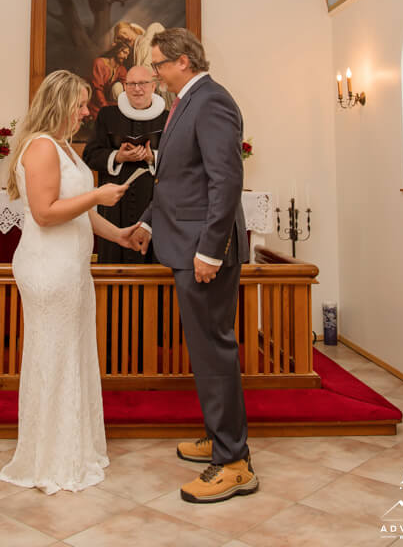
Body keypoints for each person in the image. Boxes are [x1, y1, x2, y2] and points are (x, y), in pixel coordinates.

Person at [131, 28, 258, 505]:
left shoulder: (212, 101)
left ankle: (234, 463)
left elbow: (225, 180)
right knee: (204, 350)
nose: (156, 74)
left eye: (159, 65)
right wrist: (148, 221)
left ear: (183, 61)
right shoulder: (188, 101)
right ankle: (219, 435)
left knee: (214, 351)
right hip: (185, 241)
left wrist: (210, 250)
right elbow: (177, 180)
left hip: (203, 249)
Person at [0, 70, 139, 494]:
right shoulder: (41, 146)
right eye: (78, 105)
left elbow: (80, 212)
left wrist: (119, 234)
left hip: (71, 268)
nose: (84, 112)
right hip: (48, 268)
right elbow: (45, 213)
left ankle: (73, 448)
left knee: (72, 355)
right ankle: (50, 459)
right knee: (53, 357)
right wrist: (97, 194)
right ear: (58, 104)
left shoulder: (63, 147)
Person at [83, 65, 167, 263]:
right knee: (114, 256)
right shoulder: (107, 116)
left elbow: (181, 160)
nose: (137, 89)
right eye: (131, 84)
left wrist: (152, 157)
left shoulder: (167, 118)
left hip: (153, 201)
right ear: (124, 86)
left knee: (152, 260)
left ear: (153, 86)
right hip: (114, 206)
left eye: (143, 83)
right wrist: (118, 157)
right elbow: (90, 155)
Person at [88, 40, 130, 120]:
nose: (126, 57)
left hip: (106, 100)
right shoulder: (99, 62)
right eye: (124, 52)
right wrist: (105, 107)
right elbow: (97, 89)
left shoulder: (121, 68)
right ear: (116, 50)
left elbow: (126, 85)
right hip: (94, 98)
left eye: (127, 54)